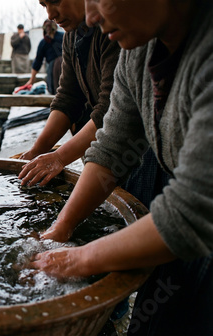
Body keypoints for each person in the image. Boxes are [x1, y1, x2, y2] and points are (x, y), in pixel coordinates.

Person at [30, 0, 213, 335]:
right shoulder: (138, 51)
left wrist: (80, 259)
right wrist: (61, 230)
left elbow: (192, 211)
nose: (92, 17)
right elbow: (112, 146)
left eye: (103, 0)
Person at [18, 0, 120, 189]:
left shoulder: (115, 30)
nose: (50, 14)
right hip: (108, 141)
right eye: (44, 5)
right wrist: (35, 151)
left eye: (55, 1)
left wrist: (59, 157)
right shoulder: (71, 37)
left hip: (135, 150)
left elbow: (111, 110)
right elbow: (67, 98)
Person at [24, 20, 64, 95]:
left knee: (57, 92)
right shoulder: (63, 36)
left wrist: (31, 80)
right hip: (67, 65)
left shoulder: (44, 42)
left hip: (55, 68)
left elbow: (37, 62)